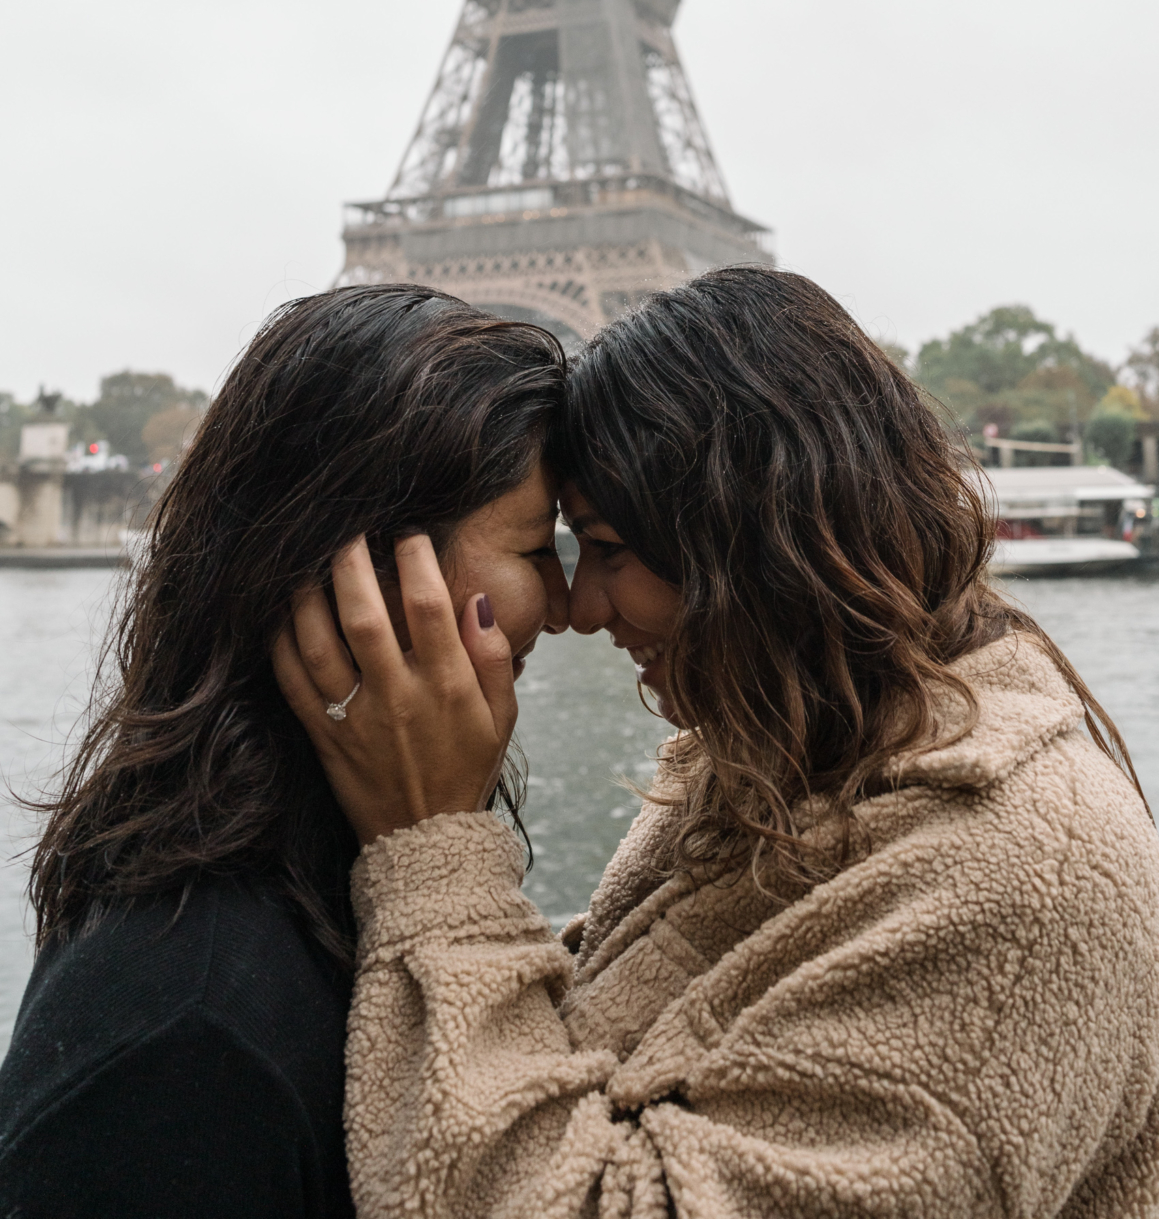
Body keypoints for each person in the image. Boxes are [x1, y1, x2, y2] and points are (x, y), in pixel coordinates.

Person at [278, 267, 1159, 1218]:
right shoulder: (780, 757)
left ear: (755, 540)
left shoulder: (1025, 878)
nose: (579, 608)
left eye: (607, 550)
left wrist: (436, 848)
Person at [0, 284, 569, 1219]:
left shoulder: (286, 901)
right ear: (368, 574)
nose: (567, 606)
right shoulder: (184, 1026)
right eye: (533, 552)